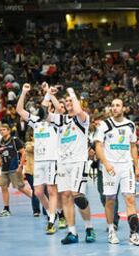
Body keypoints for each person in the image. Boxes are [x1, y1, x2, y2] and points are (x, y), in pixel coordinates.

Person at [47, 87, 95, 244]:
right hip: (63, 163)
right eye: (66, 101)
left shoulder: (82, 119)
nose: (68, 103)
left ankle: (89, 228)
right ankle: (72, 232)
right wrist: (49, 93)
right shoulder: (61, 120)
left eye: (70, 101)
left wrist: (73, 94)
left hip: (78, 162)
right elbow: (44, 114)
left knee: (77, 196)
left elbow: (79, 110)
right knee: (66, 196)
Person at [95, 99, 139, 246]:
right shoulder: (104, 125)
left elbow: (133, 146)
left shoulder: (130, 125)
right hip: (110, 167)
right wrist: (106, 163)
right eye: (113, 105)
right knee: (110, 200)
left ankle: (134, 234)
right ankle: (111, 230)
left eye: (118, 105)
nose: (115, 108)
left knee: (130, 199)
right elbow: (98, 146)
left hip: (126, 167)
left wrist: (136, 167)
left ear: (123, 108)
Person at [17, 83, 62, 234]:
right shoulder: (36, 121)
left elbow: (60, 110)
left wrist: (50, 94)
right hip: (39, 161)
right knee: (37, 192)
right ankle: (55, 213)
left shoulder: (55, 121)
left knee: (51, 190)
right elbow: (19, 110)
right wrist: (23, 93)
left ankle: (51, 220)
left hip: (52, 160)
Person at [0, 123, 32, 216]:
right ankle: (6, 209)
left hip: (14, 168)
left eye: (4, 130)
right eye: (1, 130)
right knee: (3, 187)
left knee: (21, 188)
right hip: (4, 169)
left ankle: (37, 200)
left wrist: (20, 166)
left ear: (8, 131)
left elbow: (23, 153)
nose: (2, 131)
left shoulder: (15, 141)